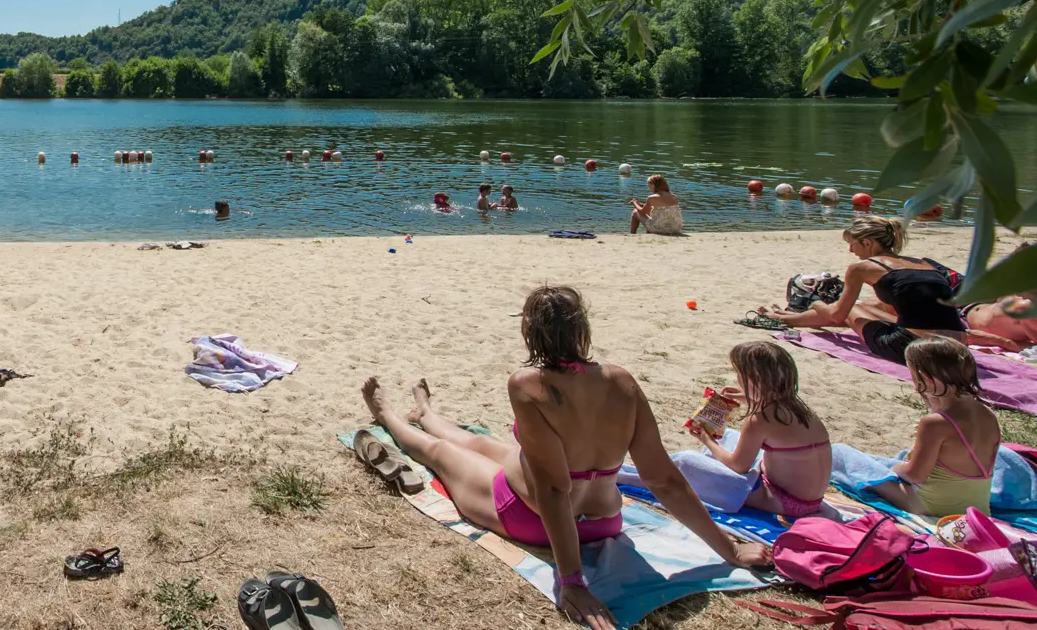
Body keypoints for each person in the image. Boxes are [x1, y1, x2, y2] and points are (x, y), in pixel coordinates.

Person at [362, 286, 767, 630]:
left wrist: (571, 579)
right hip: (606, 521)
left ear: (530, 334)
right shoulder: (621, 381)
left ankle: (387, 415)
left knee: (442, 452)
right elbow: (665, 480)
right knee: (485, 446)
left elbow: (555, 488)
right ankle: (427, 413)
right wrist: (728, 551)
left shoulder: (528, 385)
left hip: (534, 518)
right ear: (582, 331)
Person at [757, 217, 967, 363]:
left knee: (846, 308)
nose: (850, 250)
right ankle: (787, 317)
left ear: (867, 243)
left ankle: (783, 318)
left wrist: (817, 304)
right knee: (859, 306)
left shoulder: (862, 268)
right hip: (958, 348)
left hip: (916, 349)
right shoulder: (922, 263)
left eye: (852, 244)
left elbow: (838, 315)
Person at [689, 342, 832, 519]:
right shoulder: (799, 407)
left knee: (686, 461)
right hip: (810, 500)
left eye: (738, 373)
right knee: (729, 436)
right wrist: (745, 396)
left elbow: (739, 466)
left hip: (786, 502)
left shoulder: (759, 420)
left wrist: (706, 439)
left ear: (751, 378)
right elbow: (774, 412)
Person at [867, 337, 1001, 518]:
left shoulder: (935, 423)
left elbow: (915, 475)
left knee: (847, 457)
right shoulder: (987, 413)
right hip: (977, 509)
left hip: (933, 507)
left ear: (925, 378)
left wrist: (893, 468)